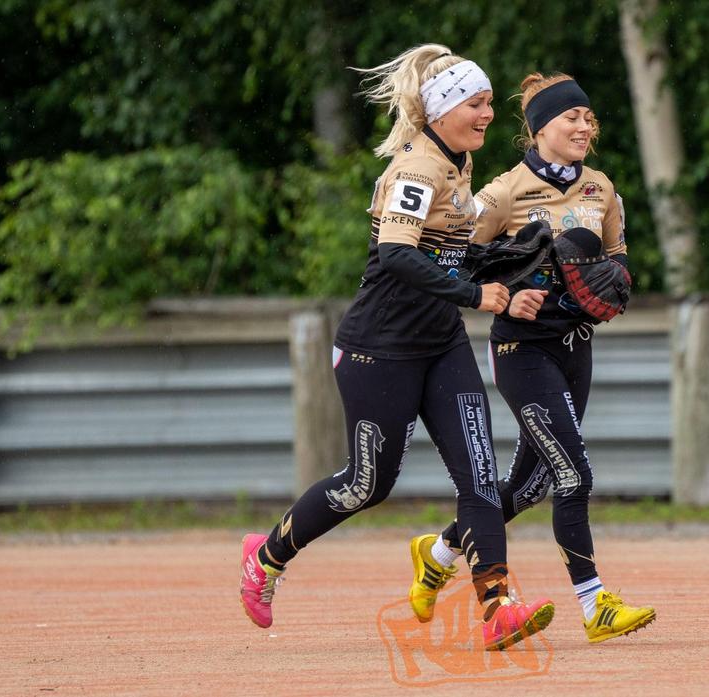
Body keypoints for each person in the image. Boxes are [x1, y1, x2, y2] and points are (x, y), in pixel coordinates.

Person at [239, 44, 554, 652]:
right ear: (441, 110)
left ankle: (497, 606)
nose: (489, 113)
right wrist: (476, 294)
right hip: (378, 349)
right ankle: (267, 555)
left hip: (441, 343)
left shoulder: (459, 159)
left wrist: (504, 263)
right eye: (477, 103)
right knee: (368, 484)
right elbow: (396, 255)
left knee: (479, 474)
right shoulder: (417, 169)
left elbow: (447, 252)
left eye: (490, 102)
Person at [407, 72, 656, 644]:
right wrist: (503, 287)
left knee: (527, 487)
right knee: (575, 474)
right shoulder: (502, 193)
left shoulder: (601, 188)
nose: (584, 126)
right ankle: (595, 604)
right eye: (572, 117)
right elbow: (451, 259)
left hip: (576, 348)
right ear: (541, 128)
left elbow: (617, 261)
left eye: (589, 117)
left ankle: (437, 554)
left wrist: (613, 284)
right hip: (522, 351)